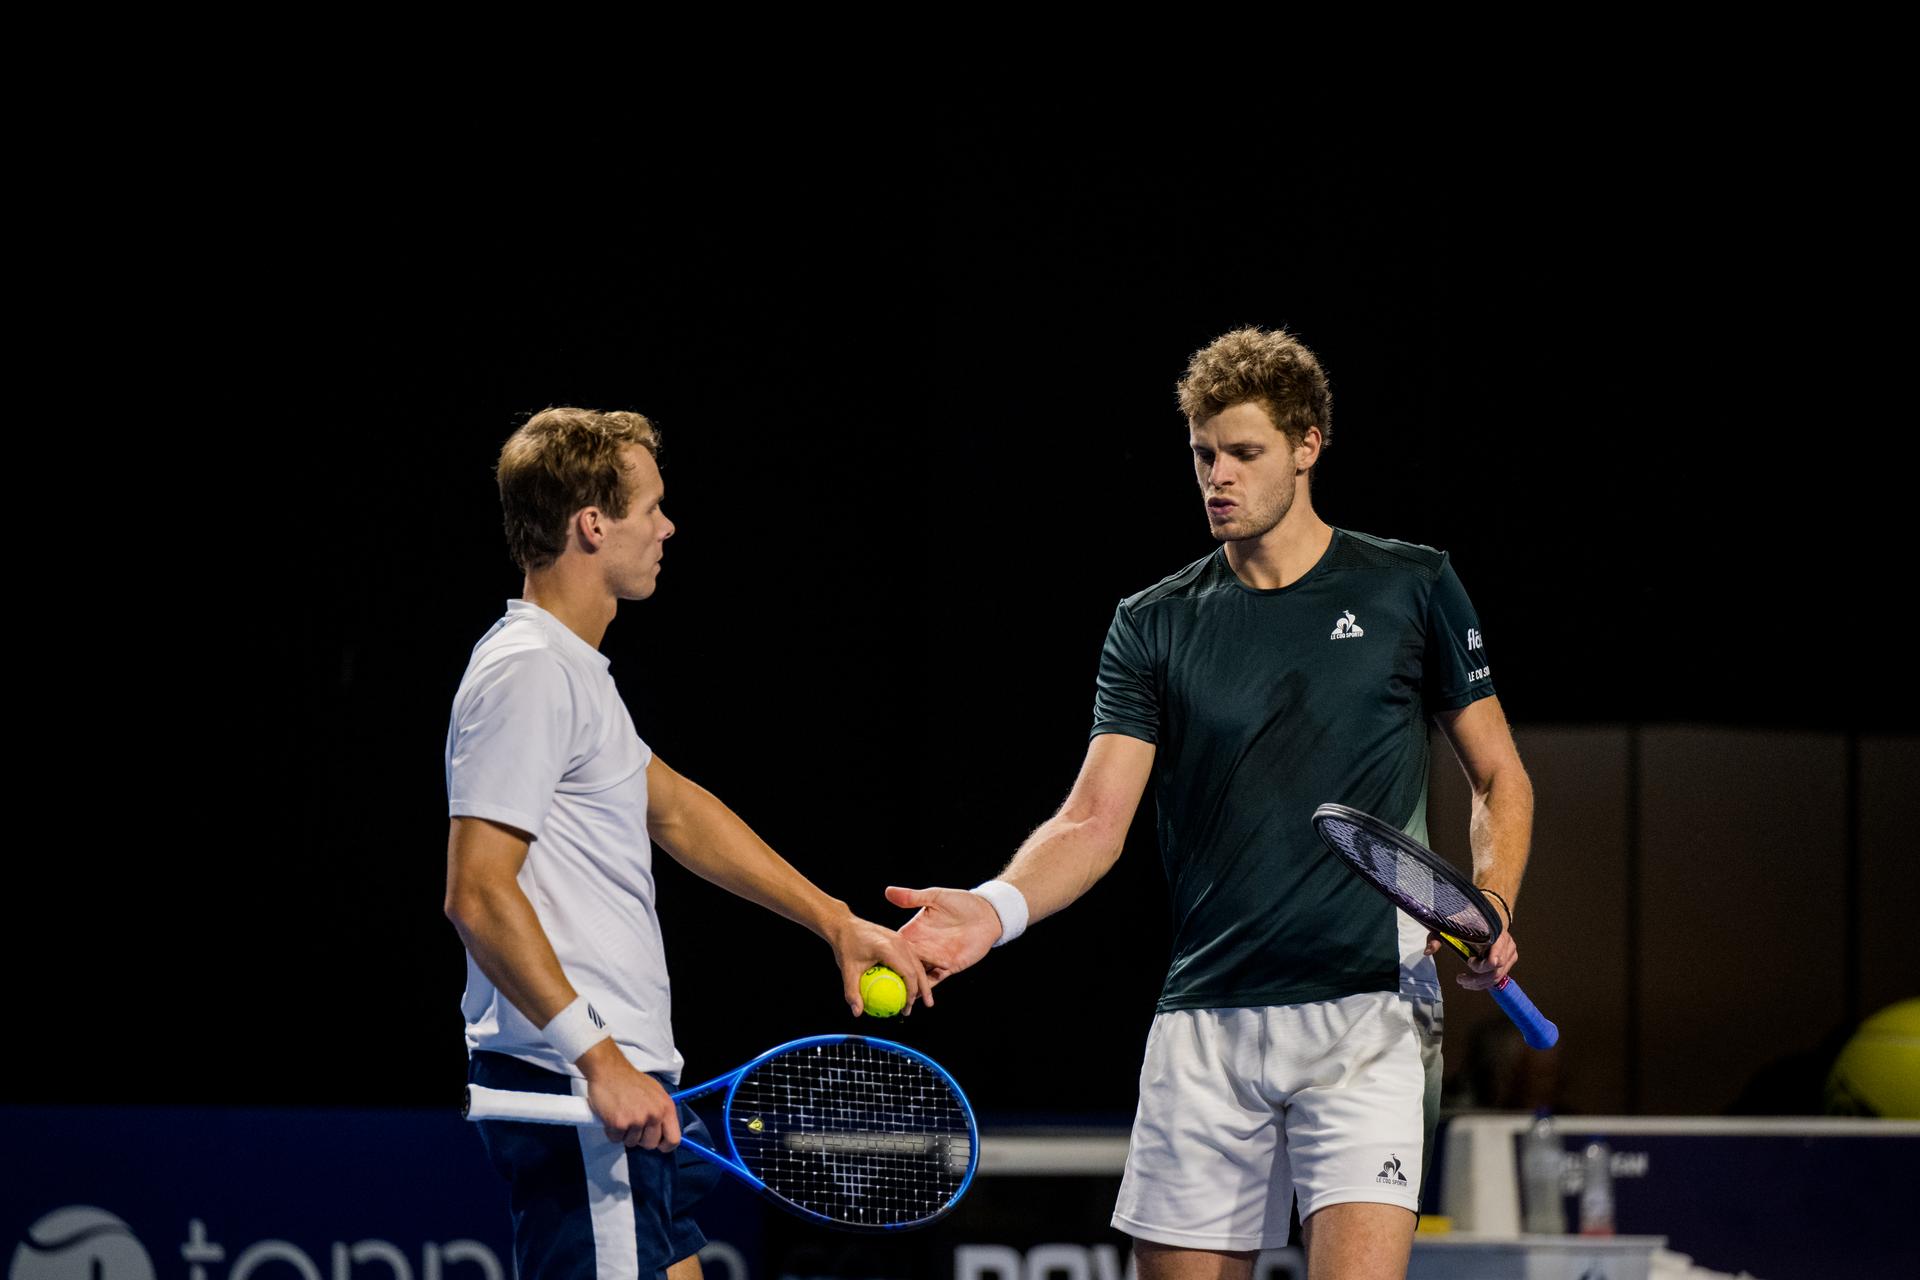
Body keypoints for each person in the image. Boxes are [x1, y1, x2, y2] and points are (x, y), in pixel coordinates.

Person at [889, 329, 1534, 1280]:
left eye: (1243, 453)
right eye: (1202, 455)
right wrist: (995, 908)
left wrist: (1491, 904)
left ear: (1309, 445)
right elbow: (1090, 822)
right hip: (1206, 1023)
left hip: (1369, 1015)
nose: (1216, 477)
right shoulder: (1152, 622)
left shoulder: (1413, 586)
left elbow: (1499, 778)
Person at [443, 407, 928, 1280]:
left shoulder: (574, 672)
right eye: (651, 507)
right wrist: (599, 1060)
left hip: (619, 1092)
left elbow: (674, 811)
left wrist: (835, 922)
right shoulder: (529, 672)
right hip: (582, 1092)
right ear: (594, 524)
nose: (668, 526)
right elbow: (477, 893)